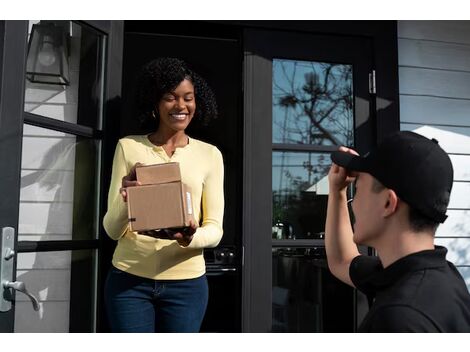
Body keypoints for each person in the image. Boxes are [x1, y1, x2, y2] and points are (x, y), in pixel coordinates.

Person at [103, 57, 224, 332]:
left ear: (196, 103)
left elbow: (215, 229)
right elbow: (111, 229)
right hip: (129, 280)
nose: (181, 106)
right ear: (155, 103)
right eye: (170, 97)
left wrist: (191, 237)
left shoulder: (210, 155)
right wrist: (126, 198)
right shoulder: (128, 147)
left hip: (188, 286)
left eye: (188, 98)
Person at [325, 130, 470, 332]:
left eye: (357, 189)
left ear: (388, 203)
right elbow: (342, 261)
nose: (354, 203)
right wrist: (337, 190)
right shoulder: (444, 278)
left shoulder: (399, 319)